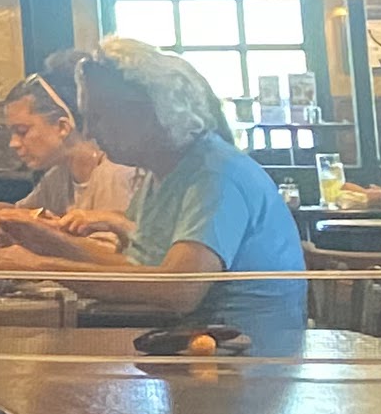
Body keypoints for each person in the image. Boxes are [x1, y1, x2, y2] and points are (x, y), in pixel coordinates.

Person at [74, 35, 309, 346]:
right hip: (197, 349)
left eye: (98, 117)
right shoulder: (163, 172)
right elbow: (140, 269)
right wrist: (42, 246)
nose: (89, 132)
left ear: (150, 110)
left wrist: (40, 266)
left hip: (249, 359)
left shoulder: (216, 174)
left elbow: (179, 289)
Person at [0, 60, 145, 264]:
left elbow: (113, 258)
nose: (13, 143)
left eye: (22, 131)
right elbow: (18, 215)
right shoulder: (59, 175)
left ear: (62, 127)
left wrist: (41, 251)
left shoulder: (116, 173)